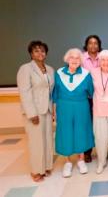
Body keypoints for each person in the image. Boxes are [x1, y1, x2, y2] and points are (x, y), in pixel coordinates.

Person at [53, 48, 94, 178]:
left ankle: (81, 160)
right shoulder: (59, 73)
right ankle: (67, 162)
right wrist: (54, 112)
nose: (74, 60)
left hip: (81, 106)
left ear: (81, 61)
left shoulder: (86, 74)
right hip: (63, 107)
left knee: (81, 131)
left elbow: (92, 92)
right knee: (65, 132)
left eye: (77, 58)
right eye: (72, 58)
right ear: (67, 59)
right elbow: (55, 94)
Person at [17, 40, 54, 182]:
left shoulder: (50, 69)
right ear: (31, 54)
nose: (40, 53)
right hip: (35, 112)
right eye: (36, 51)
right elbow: (25, 92)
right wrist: (31, 113)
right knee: (36, 141)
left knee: (47, 140)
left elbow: (50, 91)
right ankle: (36, 171)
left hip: (47, 110)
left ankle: (45, 167)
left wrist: (53, 110)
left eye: (42, 50)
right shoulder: (25, 69)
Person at [82, 35, 102, 163]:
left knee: (101, 125)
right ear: (86, 45)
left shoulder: (104, 56)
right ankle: (87, 152)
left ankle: (103, 150)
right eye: (90, 43)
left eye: (95, 43)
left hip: (102, 97)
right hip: (86, 98)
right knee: (87, 125)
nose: (93, 45)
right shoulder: (81, 58)